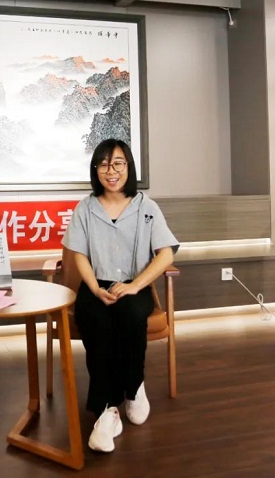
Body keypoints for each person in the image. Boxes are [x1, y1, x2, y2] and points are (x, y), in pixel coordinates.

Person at [62, 138, 179, 454]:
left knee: (130, 315)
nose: (110, 171)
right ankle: (107, 409)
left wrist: (135, 286)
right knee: (95, 320)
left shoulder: (146, 207)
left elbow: (165, 254)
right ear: (95, 169)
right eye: (103, 164)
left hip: (133, 285)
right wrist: (94, 288)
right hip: (96, 284)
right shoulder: (85, 207)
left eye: (117, 163)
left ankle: (134, 387)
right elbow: (79, 255)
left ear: (128, 167)